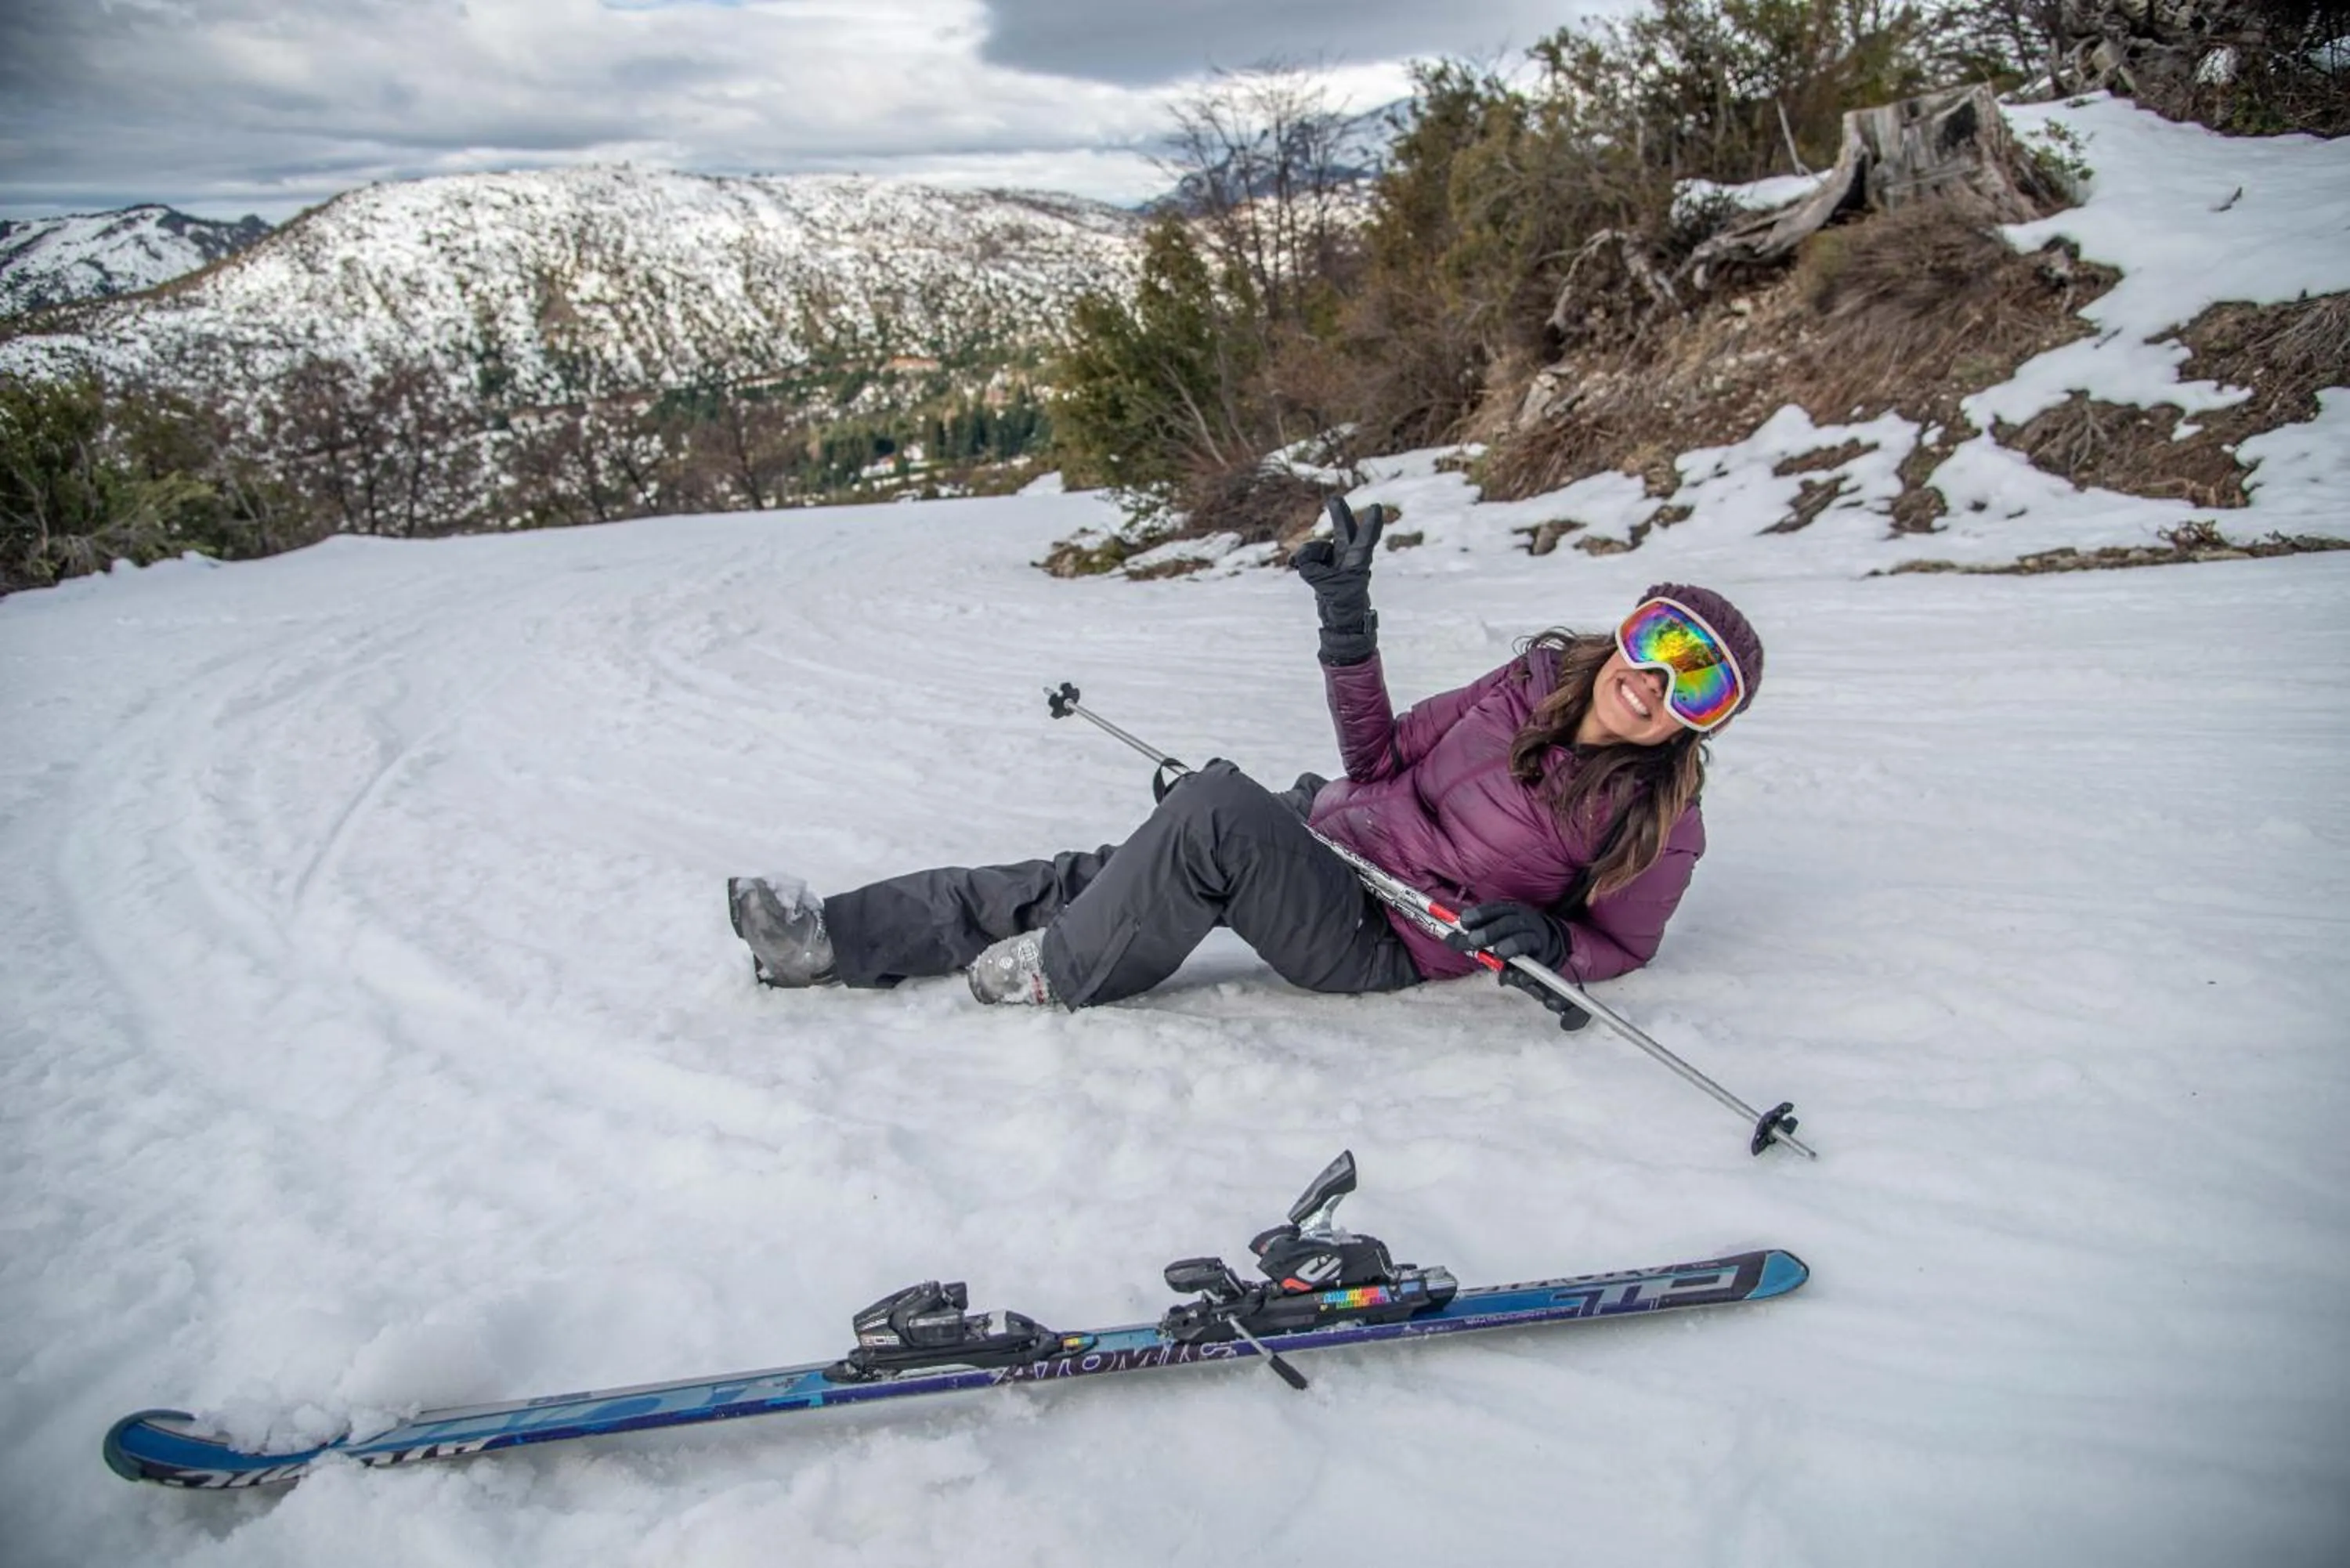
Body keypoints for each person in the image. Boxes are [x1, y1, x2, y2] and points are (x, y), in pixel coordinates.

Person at [728, 497, 1763, 1017]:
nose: (1656, 681)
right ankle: (829, 941)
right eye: (1659, 641)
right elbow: (1378, 756)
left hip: (1381, 933)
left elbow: (1622, 948)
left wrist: (1546, 937)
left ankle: (1063, 970)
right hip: (1333, 832)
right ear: (1628, 629)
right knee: (1096, 874)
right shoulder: (1530, 680)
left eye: (1697, 683)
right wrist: (1347, 625)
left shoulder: (1662, 822)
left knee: (1213, 811)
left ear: (1700, 722)